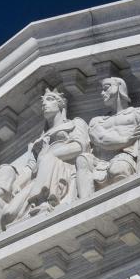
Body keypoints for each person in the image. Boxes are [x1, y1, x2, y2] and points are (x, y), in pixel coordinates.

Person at [16, 88, 94, 216]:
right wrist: (17, 184)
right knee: (9, 213)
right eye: (43, 102)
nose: (44, 104)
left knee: (48, 159)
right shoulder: (38, 140)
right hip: (38, 178)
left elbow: (81, 146)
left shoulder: (75, 123)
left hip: (63, 169)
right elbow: (30, 168)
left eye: (50, 99)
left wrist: (52, 154)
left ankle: (44, 202)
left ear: (61, 104)